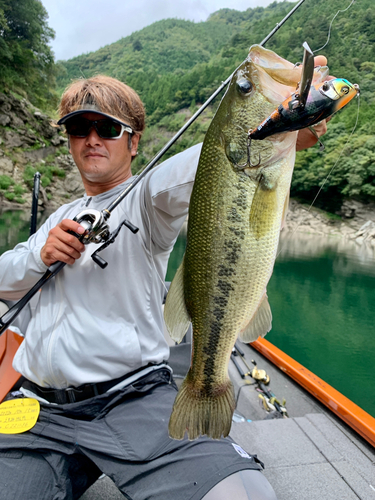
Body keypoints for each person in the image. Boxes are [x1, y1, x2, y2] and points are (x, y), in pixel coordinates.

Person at [0, 57, 328, 500]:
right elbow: (6, 278)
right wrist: (40, 254)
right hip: (37, 411)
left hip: (133, 398)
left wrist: (286, 119)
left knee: (243, 496)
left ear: (133, 143)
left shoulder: (149, 198)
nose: (92, 139)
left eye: (108, 128)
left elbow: (218, 160)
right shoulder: (54, 220)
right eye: (80, 128)